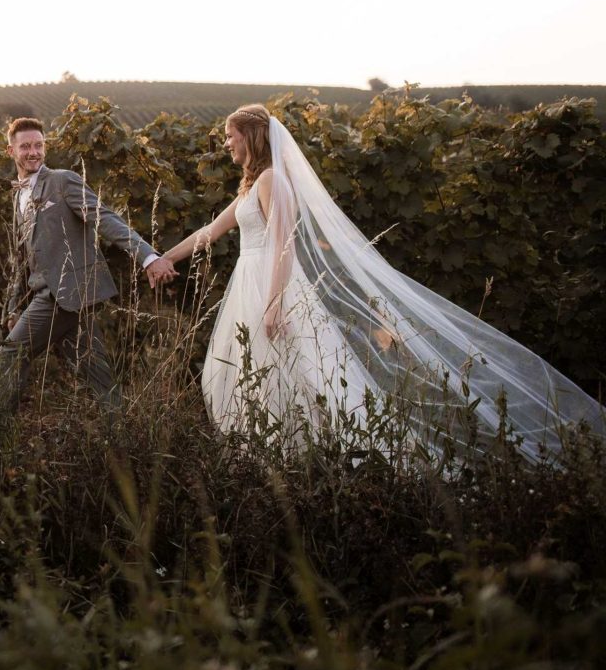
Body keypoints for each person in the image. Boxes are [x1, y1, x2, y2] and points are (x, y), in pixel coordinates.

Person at [160, 104, 604, 460]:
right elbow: (209, 233)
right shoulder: (251, 186)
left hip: (269, 285)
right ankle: (270, 455)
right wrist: (162, 258)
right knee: (260, 372)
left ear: (251, 137)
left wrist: (275, 301)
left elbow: (284, 247)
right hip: (250, 282)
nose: (225, 143)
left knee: (298, 373)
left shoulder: (274, 180)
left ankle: (317, 455)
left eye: (229, 136)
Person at [0, 117, 176, 417]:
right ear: (11, 152)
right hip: (64, 297)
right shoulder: (18, 196)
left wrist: (148, 257)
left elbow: (105, 218)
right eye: (25, 146)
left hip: (62, 293)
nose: (33, 152)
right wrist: (13, 309)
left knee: (12, 352)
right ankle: (123, 434)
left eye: (38, 145)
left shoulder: (62, 181)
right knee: (96, 373)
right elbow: (22, 259)